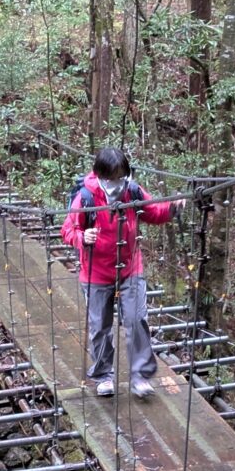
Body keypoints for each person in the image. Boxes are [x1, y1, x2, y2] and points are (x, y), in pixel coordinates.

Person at [60, 145, 186, 399]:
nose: (117, 183)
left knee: (136, 319)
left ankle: (140, 375)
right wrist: (83, 236)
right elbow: (67, 230)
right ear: (100, 175)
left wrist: (172, 207)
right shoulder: (85, 197)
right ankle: (103, 375)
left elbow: (152, 212)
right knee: (100, 327)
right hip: (96, 272)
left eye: (121, 176)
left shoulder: (131, 191)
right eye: (112, 178)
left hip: (130, 266)